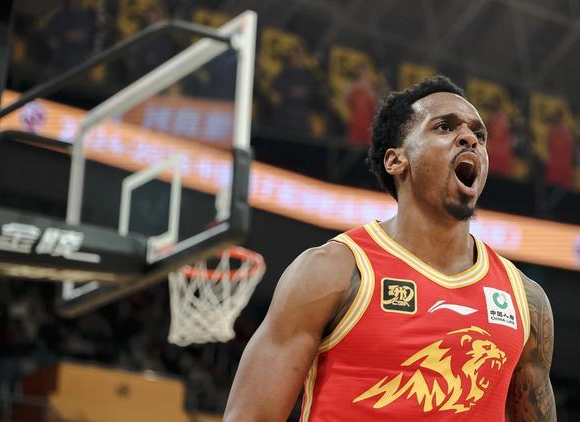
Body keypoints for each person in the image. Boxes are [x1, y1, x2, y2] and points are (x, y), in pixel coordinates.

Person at [225, 76, 556, 421]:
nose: (469, 138)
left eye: (479, 135)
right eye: (444, 127)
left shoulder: (525, 299)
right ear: (396, 161)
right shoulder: (332, 271)